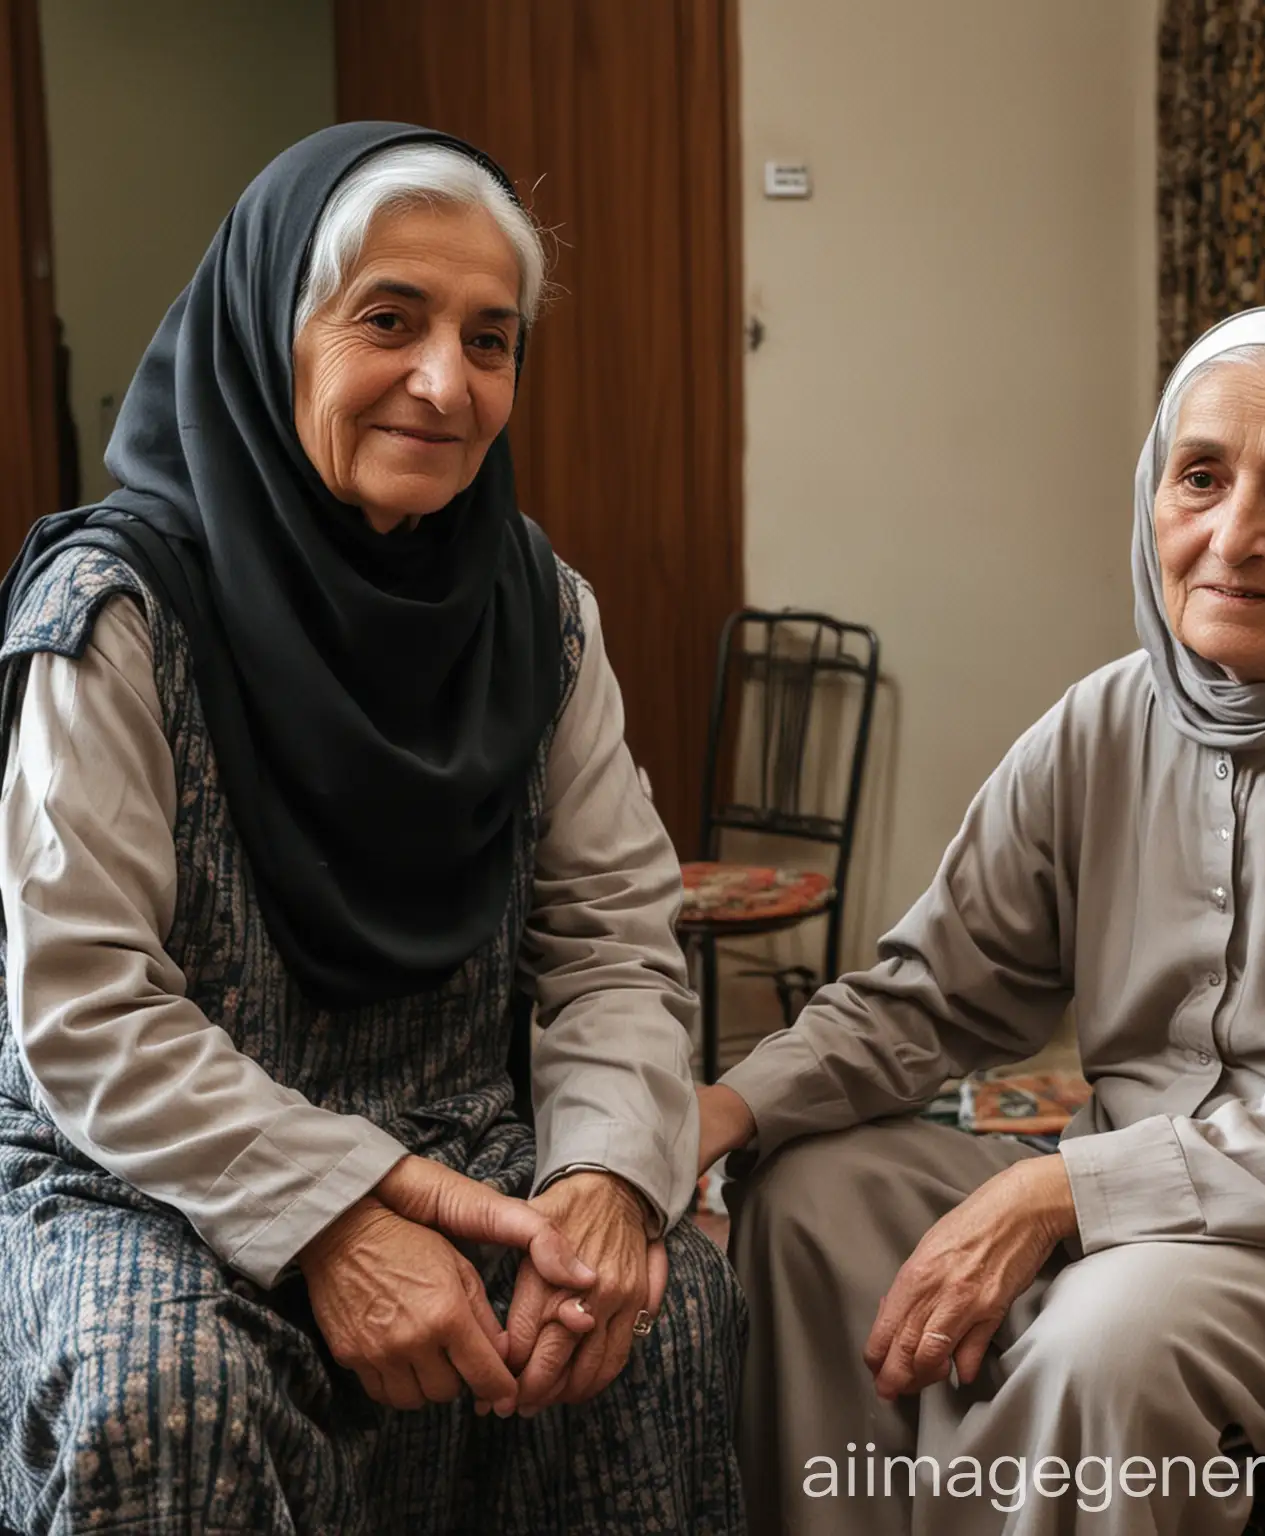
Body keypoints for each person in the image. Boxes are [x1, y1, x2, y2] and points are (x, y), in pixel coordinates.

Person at [0, 122, 744, 1535]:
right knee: (166, 1392)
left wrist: (603, 1176)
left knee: (660, 1318)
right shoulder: (117, 615)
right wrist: (337, 1210)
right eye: (389, 322)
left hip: (471, 1141)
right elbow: (87, 1010)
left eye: (491, 338)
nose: (445, 383)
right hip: (153, 1162)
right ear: (272, 332)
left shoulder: (542, 611)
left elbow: (612, 945)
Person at [699, 305, 1265, 1535]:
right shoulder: (1110, 719)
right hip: (1153, 1216)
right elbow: (929, 996)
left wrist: (1059, 1195)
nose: (1235, 535)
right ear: (1154, 492)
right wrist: (722, 1111)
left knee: (1115, 1334)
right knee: (811, 1194)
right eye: (1202, 476)